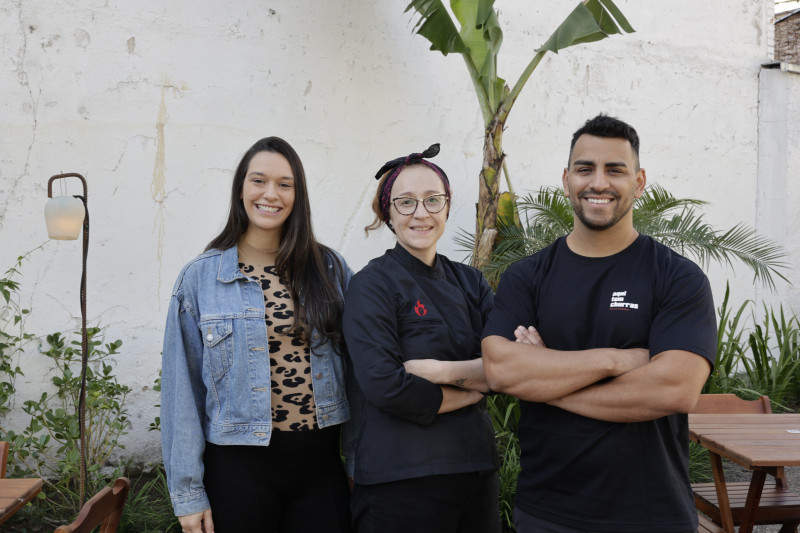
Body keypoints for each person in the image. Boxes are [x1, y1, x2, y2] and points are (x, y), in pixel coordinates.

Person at [482, 114, 717, 533]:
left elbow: (674, 388)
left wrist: (547, 382)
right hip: (547, 514)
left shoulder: (676, 277)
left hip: (651, 514)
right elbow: (501, 369)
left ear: (639, 182)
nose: (598, 183)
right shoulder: (527, 276)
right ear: (566, 179)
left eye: (615, 170)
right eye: (585, 169)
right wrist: (616, 361)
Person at [161, 137, 354, 533]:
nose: (271, 194)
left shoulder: (329, 269)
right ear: (241, 189)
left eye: (285, 184)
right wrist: (188, 494)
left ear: (298, 195)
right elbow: (181, 392)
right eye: (259, 181)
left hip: (321, 470)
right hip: (237, 473)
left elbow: (359, 373)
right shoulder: (201, 278)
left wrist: (359, 463)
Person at [342, 144, 500, 533]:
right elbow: (386, 386)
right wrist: (472, 388)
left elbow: (507, 366)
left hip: (476, 470)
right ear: (388, 214)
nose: (421, 213)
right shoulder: (372, 285)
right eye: (406, 202)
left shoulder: (471, 282)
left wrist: (437, 370)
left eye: (433, 200)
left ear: (446, 207)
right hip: (400, 478)